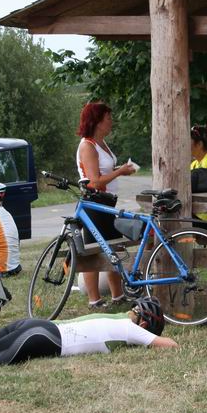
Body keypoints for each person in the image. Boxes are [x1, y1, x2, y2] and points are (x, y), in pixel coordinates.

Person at [0, 268, 176, 370]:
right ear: (144, 325)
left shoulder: (117, 317)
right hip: (42, 336)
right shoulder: (129, 329)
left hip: (37, 327)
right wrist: (149, 339)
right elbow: (171, 345)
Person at [76, 101, 137, 309]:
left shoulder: (102, 143)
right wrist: (120, 172)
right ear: (97, 121)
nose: (111, 122)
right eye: (108, 118)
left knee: (114, 246)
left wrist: (120, 169)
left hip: (108, 201)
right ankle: (94, 300)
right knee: (93, 251)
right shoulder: (88, 145)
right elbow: (94, 181)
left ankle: (118, 295)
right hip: (94, 203)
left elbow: (105, 170)